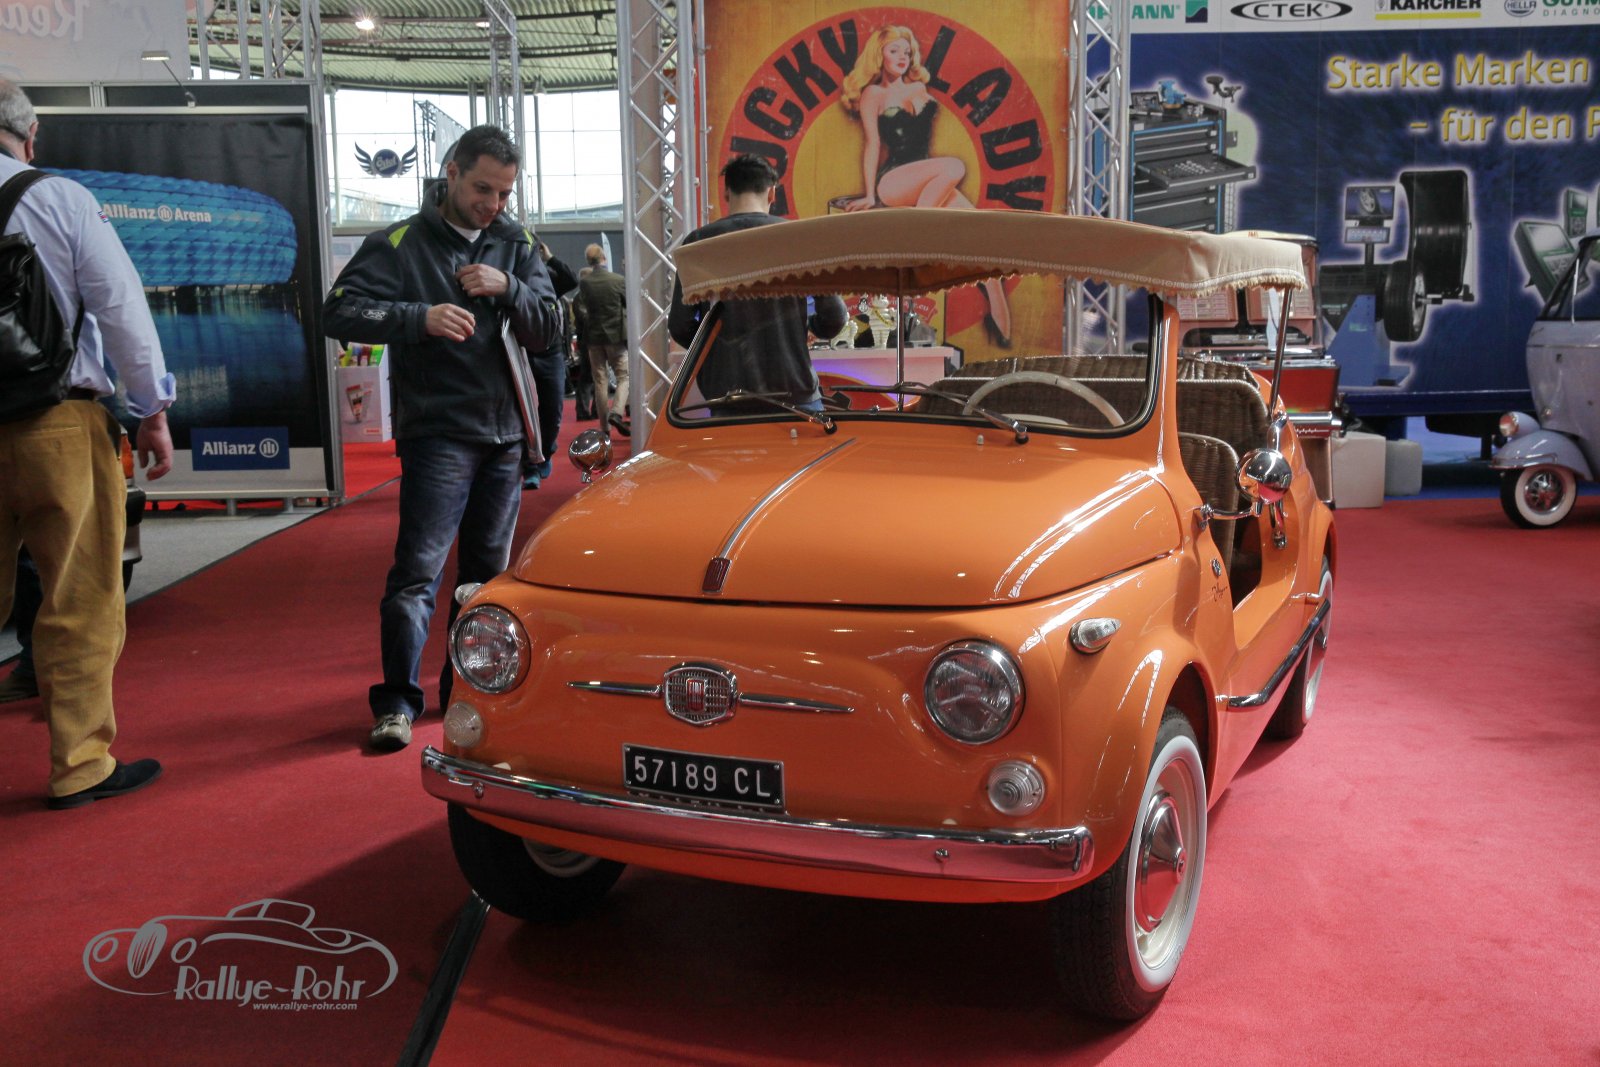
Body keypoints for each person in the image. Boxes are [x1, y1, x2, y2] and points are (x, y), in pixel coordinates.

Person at [323, 124, 563, 752]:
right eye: (483, 188)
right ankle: (396, 703)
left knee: (486, 581)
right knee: (417, 575)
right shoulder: (398, 243)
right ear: (451, 173)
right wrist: (418, 318)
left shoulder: (516, 242)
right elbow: (337, 310)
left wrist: (510, 288)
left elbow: (550, 330)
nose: (493, 204)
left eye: (504, 192)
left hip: (504, 437)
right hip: (437, 436)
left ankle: (467, 693)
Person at [0, 79, 175, 808]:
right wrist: (151, 409)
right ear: (30, 134)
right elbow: (120, 306)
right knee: (80, 596)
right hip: (58, 426)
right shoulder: (59, 198)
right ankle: (79, 765)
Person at [839, 24, 1012, 347]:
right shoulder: (873, 95)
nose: (902, 57)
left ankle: (1003, 338)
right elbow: (873, 144)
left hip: (926, 181)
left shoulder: (919, 88)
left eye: (906, 52)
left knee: (986, 249)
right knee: (955, 166)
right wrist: (870, 194)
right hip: (894, 181)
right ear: (879, 55)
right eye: (894, 51)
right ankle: (919, 241)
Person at [667, 154, 848, 411]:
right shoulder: (800, 239)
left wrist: (716, 348)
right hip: (795, 392)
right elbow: (834, 317)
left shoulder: (698, 243)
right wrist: (809, 327)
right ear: (772, 193)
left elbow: (679, 325)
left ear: (727, 192)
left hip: (727, 396)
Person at [521, 240, 579, 489]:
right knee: (523, 412)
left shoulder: (547, 278)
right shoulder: (512, 276)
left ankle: (546, 451)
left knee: (553, 408)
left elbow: (571, 279)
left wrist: (551, 257)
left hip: (551, 353)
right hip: (522, 352)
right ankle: (530, 467)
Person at [576, 243, 628, 433]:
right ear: (603, 257)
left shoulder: (585, 283)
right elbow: (627, 304)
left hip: (593, 338)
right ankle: (617, 412)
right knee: (624, 376)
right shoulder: (618, 280)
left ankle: (604, 427)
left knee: (600, 381)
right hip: (616, 337)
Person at [570, 270, 597, 420]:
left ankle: (593, 410)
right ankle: (583, 411)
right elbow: (584, 317)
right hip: (587, 340)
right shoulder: (579, 297)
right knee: (587, 376)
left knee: (596, 377)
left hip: (594, 339)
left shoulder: (584, 296)